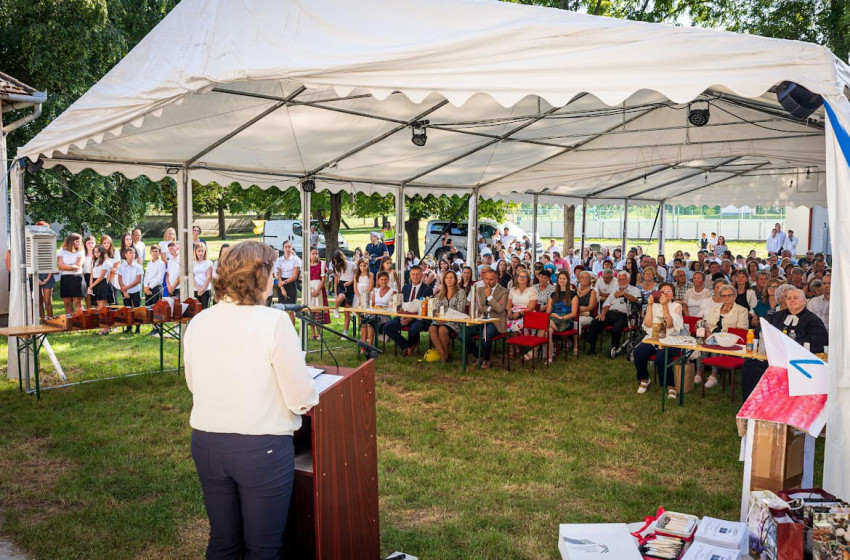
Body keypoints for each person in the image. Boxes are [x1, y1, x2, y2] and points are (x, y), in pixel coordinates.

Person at [184, 241, 319, 559]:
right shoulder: (273, 322)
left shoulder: (199, 321)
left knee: (223, 542)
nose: (274, 279)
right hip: (262, 448)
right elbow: (301, 400)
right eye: (272, 272)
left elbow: (194, 385)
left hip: (207, 443)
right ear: (261, 276)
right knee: (262, 549)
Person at [741, 287, 827, 400]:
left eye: (795, 298)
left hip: (797, 360)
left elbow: (819, 342)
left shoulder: (813, 320)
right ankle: (753, 401)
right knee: (750, 365)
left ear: (804, 301)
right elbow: (760, 329)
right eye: (789, 298)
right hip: (772, 357)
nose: (792, 300)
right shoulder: (776, 316)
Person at [632, 282, 684, 398]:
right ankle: (644, 379)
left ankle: (670, 385)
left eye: (668, 291)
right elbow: (648, 323)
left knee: (661, 357)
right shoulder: (654, 305)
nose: (665, 293)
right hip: (653, 338)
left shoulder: (676, 306)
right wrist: (650, 305)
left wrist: (665, 306)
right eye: (662, 291)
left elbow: (669, 325)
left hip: (671, 340)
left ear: (673, 295)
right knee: (638, 352)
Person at [703, 284, 750, 389]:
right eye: (724, 296)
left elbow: (741, 330)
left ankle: (713, 375)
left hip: (730, 341)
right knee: (700, 346)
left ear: (734, 296)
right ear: (720, 297)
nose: (727, 298)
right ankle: (698, 373)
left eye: (729, 295)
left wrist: (721, 337)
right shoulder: (714, 309)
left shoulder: (741, 310)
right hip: (712, 338)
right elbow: (707, 324)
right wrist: (708, 333)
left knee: (717, 348)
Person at [585, 271, 640, 356]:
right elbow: (607, 304)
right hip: (610, 313)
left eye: (623, 279)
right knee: (596, 322)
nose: (621, 281)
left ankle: (614, 348)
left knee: (616, 328)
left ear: (628, 280)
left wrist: (624, 294)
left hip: (624, 315)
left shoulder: (634, 290)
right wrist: (602, 314)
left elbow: (636, 300)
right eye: (619, 280)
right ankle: (592, 347)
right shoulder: (615, 290)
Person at [383, 265, 433, 357]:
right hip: (404, 316)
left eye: (417, 274)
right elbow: (401, 305)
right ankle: (408, 346)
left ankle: (409, 347)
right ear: (410, 275)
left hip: (420, 318)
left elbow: (426, 309)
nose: (415, 276)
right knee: (387, 327)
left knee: (413, 329)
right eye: (413, 274)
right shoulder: (405, 288)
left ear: (421, 275)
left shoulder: (427, 289)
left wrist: (411, 318)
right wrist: (402, 315)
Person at [465, 269, 508, 370]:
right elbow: (479, 307)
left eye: (491, 279)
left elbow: (500, 309)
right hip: (481, 319)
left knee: (485, 336)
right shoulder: (480, 289)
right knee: (463, 334)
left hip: (496, 322)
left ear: (497, 279)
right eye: (486, 279)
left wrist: (489, 297)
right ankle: (479, 355)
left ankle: (487, 359)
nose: (488, 282)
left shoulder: (504, 291)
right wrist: (492, 307)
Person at [428, 270, 467, 362]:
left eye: (451, 278)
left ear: (455, 280)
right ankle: (444, 354)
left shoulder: (460, 292)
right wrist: (438, 317)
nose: (449, 280)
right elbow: (436, 309)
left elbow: (460, 309)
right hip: (441, 319)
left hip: (455, 320)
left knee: (442, 330)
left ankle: (444, 357)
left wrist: (445, 317)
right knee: (432, 329)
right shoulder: (440, 294)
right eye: (447, 278)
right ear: (444, 280)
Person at [546, 271, 579, 362]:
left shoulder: (573, 295)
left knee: (545, 324)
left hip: (566, 321)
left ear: (568, 280)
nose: (562, 280)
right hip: (553, 319)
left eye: (564, 278)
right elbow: (548, 311)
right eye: (560, 278)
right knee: (548, 330)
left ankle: (536, 350)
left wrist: (561, 317)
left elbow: (574, 314)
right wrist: (545, 316)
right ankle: (550, 357)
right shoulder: (553, 294)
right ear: (557, 280)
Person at [361, 270, 395, 352]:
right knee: (364, 322)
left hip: (385, 316)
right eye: (381, 279)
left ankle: (370, 346)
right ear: (378, 281)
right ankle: (364, 345)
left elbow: (393, 306)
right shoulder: (375, 291)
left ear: (388, 280)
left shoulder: (392, 291)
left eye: (385, 279)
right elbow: (372, 304)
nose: (384, 281)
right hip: (374, 313)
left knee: (370, 322)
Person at [57, 233, 86, 314]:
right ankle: (69, 323)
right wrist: (72, 267)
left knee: (78, 303)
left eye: (80, 241)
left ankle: (80, 323)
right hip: (65, 279)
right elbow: (59, 265)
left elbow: (78, 266)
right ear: (71, 242)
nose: (79, 243)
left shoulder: (81, 251)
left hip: (77, 278)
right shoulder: (62, 250)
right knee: (67, 303)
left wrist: (65, 266)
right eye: (77, 241)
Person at [117, 245, 143, 334]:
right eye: (130, 253)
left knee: (136, 310)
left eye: (133, 253)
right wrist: (124, 291)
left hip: (135, 291)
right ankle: (128, 327)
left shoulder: (138, 266)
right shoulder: (121, 266)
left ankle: (137, 328)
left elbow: (138, 280)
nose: (132, 255)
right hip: (125, 292)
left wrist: (126, 288)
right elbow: (119, 279)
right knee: (127, 310)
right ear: (125, 254)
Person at [274, 240, 301, 322]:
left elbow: (295, 276)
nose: (287, 249)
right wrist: (282, 287)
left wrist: (284, 282)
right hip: (281, 283)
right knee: (281, 310)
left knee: (291, 310)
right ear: (283, 248)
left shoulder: (296, 260)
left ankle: (291, 329)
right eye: (286, 247)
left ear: (291, 248)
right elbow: (279, 274)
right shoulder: (279, 260)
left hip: (291, 284)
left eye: (289, 247)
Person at [306, 247, 330, 339]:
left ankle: (319, 333)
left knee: (318, 311)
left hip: (319, 289)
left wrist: (317, 290)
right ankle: (312, 333)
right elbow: (305, 279)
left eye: (316, 253)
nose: (315, 255)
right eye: (313, 253)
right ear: (309, 254)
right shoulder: (306, 265)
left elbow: (323, 279)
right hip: (310, 289)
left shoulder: (322, 264)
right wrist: (311, 290)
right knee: (311, 310)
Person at [332, 250, 357, 336]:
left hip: (350, 286)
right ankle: (335, 308)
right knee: (341, 296)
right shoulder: (336, 267)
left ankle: (345, 332)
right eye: (335, 262)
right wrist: (336, 294)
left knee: (347, 310)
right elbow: (335, 282)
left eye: (338, 261)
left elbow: (356, 276)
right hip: (341, 285)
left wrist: (351, 282)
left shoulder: (352, 265)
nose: (337, 264)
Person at [143, 245, 167, 335]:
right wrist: (145, 287)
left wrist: (150, 287)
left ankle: (158, 328)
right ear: (150, 252)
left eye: (156, 251)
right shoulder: (149, 263)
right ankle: (153, 327)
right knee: (149, 308)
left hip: (156, 288)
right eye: (153, 251)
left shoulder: (161, 263)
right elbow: (146, 276)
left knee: (157, 309)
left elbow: (160, 278)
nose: (155, 253)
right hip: (148, 288)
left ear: (159, 253)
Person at [89, 246, 113, 334]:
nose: (96, 254)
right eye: (95, 252)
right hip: (95, 284)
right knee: (99, 307)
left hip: (102, 284)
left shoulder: (106, 262)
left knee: (103, 308)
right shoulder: (93, 261)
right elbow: (92, 275)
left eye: (98, 252)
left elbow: (101, 277)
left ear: (102, 252)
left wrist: (92, 286)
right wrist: (90, 286)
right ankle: (106, 326)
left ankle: (105, 328)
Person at [193, 242, 213, 309]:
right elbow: (192, 277)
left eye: (202, 251)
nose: (201, 253)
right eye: (199, 251)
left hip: (206, 290)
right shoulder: (192, 263)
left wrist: (203, 289)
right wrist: (198, 289)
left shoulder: (208, 262)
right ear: (195, 251)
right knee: (196, 311)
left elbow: (208, 277)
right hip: (195, 289)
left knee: (205, 309)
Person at [82, 235, 96, 308]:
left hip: (95, 277)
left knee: (96, 298)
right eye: (89, 243)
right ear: (85, 244)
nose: (91, 245)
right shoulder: (83, 254)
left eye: (92, 243)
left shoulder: (97, 254)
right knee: (87, 297)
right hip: (85, 276)